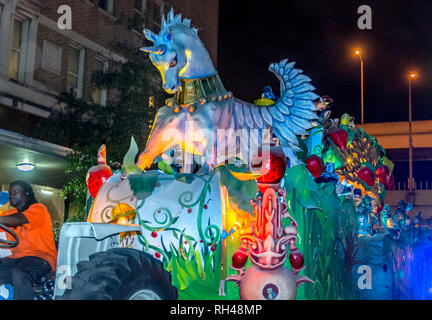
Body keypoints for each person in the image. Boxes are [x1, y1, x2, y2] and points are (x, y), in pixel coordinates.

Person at [0, 181, 57, 299]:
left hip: (40, 259)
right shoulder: (10, 213)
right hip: (15, 259)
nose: (11, 194)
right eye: (10, 192)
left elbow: (19, 219)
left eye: (16, 192)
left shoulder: (39, 209)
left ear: (26, 194)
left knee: (19, 273)